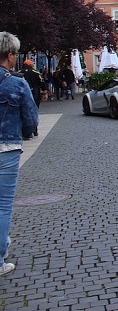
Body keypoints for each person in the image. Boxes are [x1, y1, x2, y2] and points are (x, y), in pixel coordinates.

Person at [0, 32, 39, 277]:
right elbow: (31, 119)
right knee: (3, 205)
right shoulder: (17, 82)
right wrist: (26, 133)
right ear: (10, 55)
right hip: (7, 148)